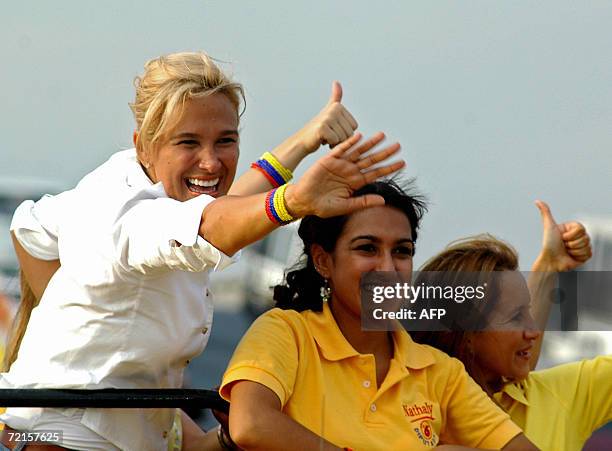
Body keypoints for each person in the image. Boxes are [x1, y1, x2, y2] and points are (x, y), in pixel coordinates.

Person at [1, 51, 404, 451]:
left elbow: (28, 227)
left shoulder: (121, 181)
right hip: (63, 437)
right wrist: (294, 201)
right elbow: (210, 225)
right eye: (188, 142)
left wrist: (303, 141)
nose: (211, 163)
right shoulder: (127, 213)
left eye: (226, 141)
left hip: (107, 425)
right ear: (145, 146)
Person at [219, 180, 538, 450]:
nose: (388, 268)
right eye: (367, 249)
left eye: (402, 251)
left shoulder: (440, 373)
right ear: (323, 261)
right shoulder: (287, 333)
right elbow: (250, 424)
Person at [412, 203, 611, 450]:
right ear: (467, 335)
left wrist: (550, 265)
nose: (535, 331)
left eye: (527, 311)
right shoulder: (411, 414)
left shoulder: (559, 396)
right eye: (516, 317)